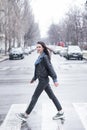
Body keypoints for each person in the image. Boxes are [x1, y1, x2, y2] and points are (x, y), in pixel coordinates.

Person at [16, 41, 64, 121]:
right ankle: (61, 112)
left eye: (39, 47)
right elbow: (37, 69)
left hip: (43, 81)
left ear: (43, 48)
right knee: (52, 96)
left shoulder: (44, 57)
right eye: (37, 47)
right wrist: (34, 78)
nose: (37, 48)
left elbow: (50, 68)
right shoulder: (40, 56)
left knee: (34, 97)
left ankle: (26, 115)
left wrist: (55, 79)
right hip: (42, 80)